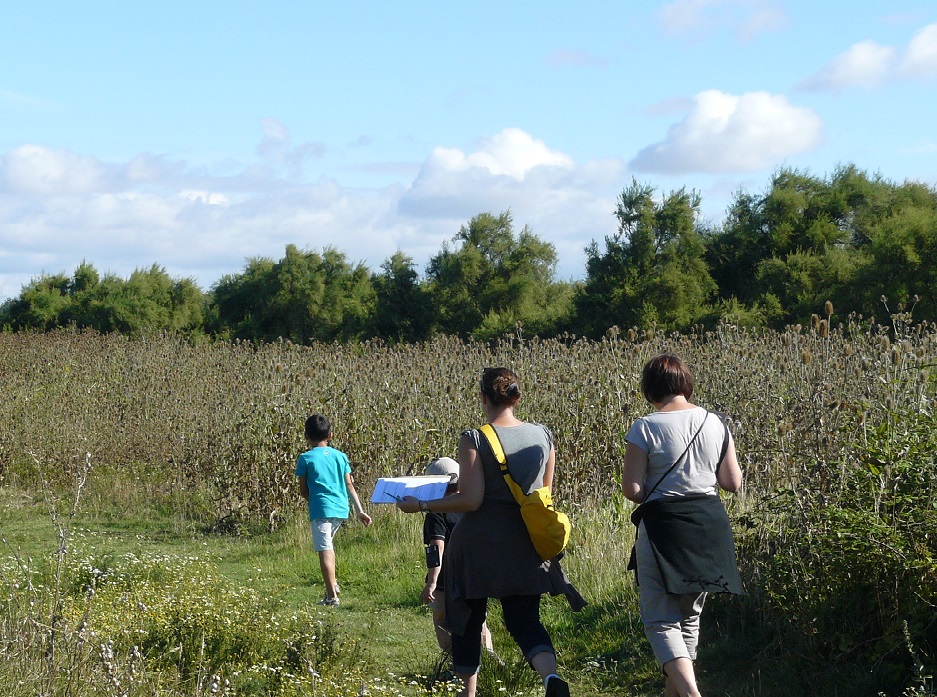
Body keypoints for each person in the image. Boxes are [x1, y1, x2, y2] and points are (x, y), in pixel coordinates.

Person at [397, 367, 581, 697]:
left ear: (483, 398)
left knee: (466, 622)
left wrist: (422, 506)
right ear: (516, 397)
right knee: (525, 621)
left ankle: (468, 693)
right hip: (525, 544)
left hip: (477, 548)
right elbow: (544, 494)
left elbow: (471, 499)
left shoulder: (475, 438)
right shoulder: (544, 436)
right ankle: (551, 679)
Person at [622, 354, 743, 697]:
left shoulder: (645, 426)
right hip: (708, 525)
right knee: (689, 616)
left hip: (664, 528)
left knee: (660, 618)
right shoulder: (716, 423)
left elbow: (632, 491)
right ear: (686, 383)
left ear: (650, 388)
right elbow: (732, 482)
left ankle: (691, 694)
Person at [295, 413, 372, 607]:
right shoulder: (341, 456)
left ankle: (331, 597)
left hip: (320, 508)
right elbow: (350, 485)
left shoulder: (305, 458)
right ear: (330, 435)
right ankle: (333, 584)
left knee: (325, 551)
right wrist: (359, 510)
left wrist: (312, 500)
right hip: (341, 508)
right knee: (328, 547)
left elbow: (304, 490)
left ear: (306, 436)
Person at [420, 456, 494, 656]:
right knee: (478, 619)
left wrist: (432, 582)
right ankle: (487, 660)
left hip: (446, 578)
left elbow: (437, 547)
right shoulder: (473, 505)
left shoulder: (436, 511)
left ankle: (455, 664)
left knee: (442, 620)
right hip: (473, 576)